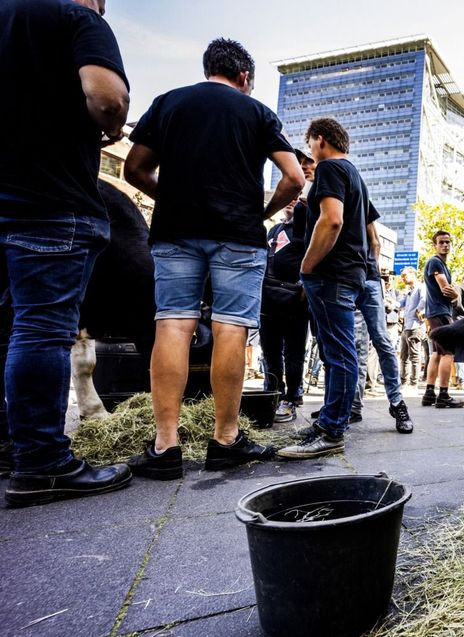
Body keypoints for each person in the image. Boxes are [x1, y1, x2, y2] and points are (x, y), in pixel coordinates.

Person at [125, 38, 303, 479]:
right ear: (245, 77)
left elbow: (134, 169)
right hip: (237, 236)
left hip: (175, 231)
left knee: (172, 323)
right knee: (231, 327)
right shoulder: (256, 111)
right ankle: (225, 439)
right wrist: (257, 213)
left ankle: (165, 446)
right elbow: (294, 177)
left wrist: (171, 199)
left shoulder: (168, 103)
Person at [0, 0, 133, 506]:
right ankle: (42, 462)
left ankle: (10, 446)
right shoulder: (76, 20)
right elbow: (107, 98)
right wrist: (114, 124)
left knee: (8, 325)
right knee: (41, 327)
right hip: (48, 201)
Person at [277, 118, 368, 457]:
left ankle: (332, 430)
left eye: (310, 143)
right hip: (348, 273)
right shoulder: (353, 173)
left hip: (331, 274)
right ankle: (329, 421)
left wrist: (307, 264)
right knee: (337, 352)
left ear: (320, 139)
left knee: (338, 353)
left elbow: (331, 220)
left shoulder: (330, 169)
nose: (310, 151)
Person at [349, 202, 415, 434]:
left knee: (382, 341)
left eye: (310, 162)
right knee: (354, 346)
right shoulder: (314, 197)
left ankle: (397, 404)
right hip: (343, 279)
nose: (307, 166)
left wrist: (372, 270)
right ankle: (353, 406)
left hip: (366, 277)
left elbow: (375, 241)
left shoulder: (356, 191)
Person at [260, 189, 309, 424]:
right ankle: (273, 392)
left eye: (297, 195)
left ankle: (291, 396)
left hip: (295, 299)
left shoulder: (305, 227)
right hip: (269, 298)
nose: (292, 199)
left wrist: (303, 286)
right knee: (269, 350)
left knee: (294, 351)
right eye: (289, 195)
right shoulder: (274, 230)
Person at [421, 231, 464, 409]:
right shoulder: (435, 262)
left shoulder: (441, 264)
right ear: (435, 245)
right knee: (448, 352)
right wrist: (455, 295)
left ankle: (429, 393)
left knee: (437, 353)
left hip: (435, 313)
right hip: (440, 312)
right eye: (441, 242)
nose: (445, 245)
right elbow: (446, 289)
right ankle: (444, 395)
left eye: (448, 242)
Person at [398, 267, 426, 387]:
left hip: (415, 326)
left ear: (413, 275)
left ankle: (414, 382)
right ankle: (404, 381)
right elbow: (400, 303)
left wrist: (419, 310)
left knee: (414, 356)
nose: (403, 278)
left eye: (405, 275)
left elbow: (424, 300)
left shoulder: (421, 287)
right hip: (406, 327)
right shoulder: (409, 290)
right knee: (404, 356)